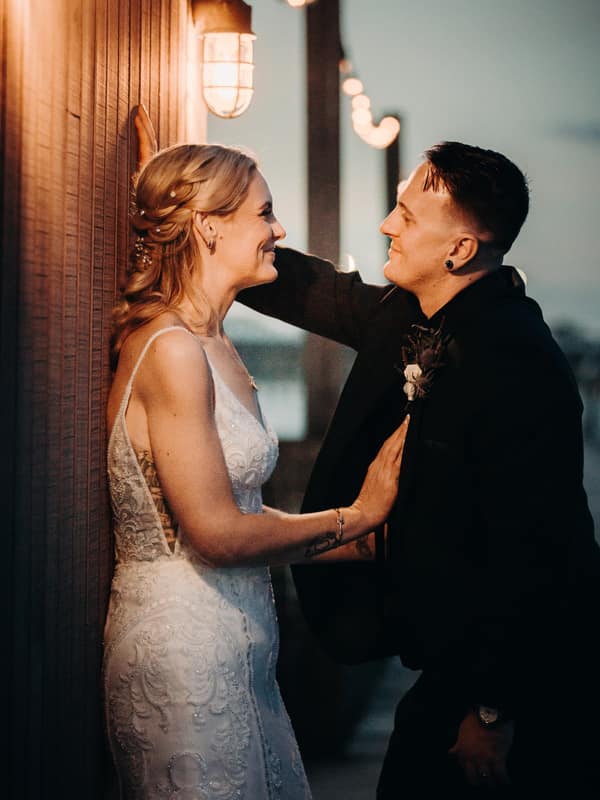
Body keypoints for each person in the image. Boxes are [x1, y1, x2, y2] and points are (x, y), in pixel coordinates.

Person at [239, 141, 600, 795]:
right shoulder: (409, 315)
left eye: (405, 216)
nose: (386, 225)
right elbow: (309, 289)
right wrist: (208, 223)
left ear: (459, 250)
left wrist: (493, 709)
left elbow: (541, 552)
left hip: (519, 682)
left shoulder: (519, 362)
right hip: (443, 660)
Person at [102, 142, 409, 800]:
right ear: (209, 225)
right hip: (184, 654)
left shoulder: (218, 345)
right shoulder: (171, 349)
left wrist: (379, 546)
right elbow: (215, 534)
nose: (279, 231)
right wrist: (358, 513)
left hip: (243, 652)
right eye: (265, 213)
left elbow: (251, 517)